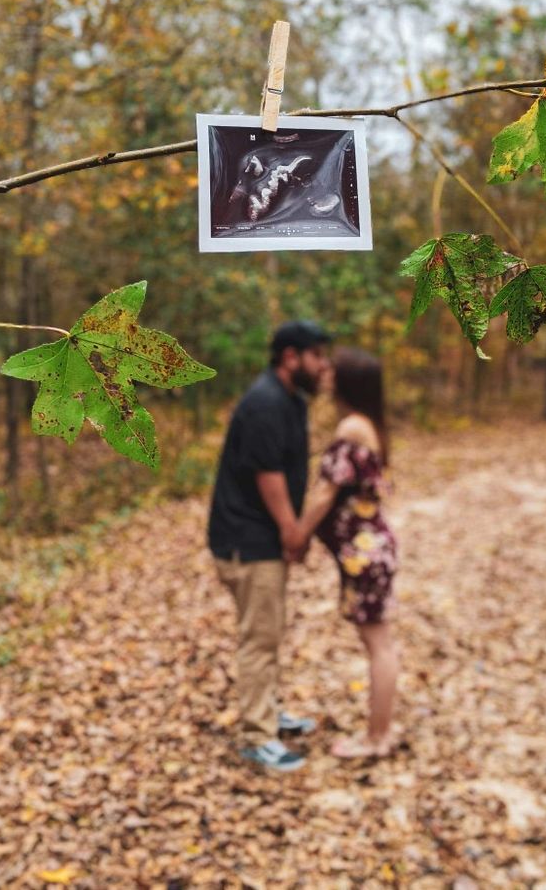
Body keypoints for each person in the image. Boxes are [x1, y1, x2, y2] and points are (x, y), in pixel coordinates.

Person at [208, 319, 331, 771]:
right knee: (259, 639)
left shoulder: (288, 400)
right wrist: (291, 530)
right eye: (317, 355)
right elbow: (267, 474)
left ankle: (267, 712)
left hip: (260, 539)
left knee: (268, 631)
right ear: (290, 357)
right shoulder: (265, 402)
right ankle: (256, 737)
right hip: (248, 540)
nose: (324, 365)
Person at [299, 347, 399, 759]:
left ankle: (377, 738)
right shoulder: (364, 423)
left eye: (333, 371)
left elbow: (325, 491)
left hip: (366, 553)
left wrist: (297, 535)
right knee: (379, 641)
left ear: (348, 381)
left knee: (379, 643)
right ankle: (381, 730)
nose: (325, 375)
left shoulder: (353, 427)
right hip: (368, 551)